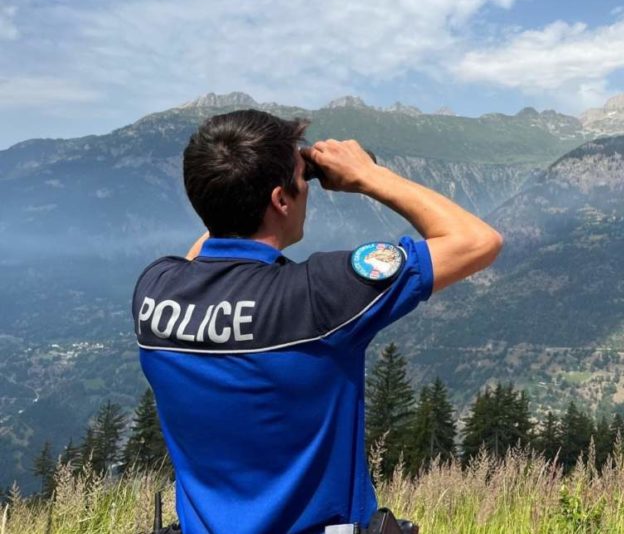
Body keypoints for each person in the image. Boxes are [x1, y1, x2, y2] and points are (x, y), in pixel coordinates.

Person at [132, 109, 502, 533]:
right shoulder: (320, 295)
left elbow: (208, 251)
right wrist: (366, 175)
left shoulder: (155, 290)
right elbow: (478, 241)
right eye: (303, 180)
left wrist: (260, 181)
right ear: (280, 200)